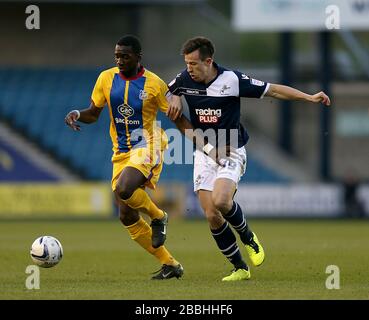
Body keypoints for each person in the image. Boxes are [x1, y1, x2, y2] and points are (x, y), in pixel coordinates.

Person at [167, 36, 331, 281]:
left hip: (232, 148)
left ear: (209, 61)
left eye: (193, 64)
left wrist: (308, 97)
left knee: (222, 201)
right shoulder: (183, 80)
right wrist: (173, 96)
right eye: (186, 63)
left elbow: (272, 89)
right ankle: (240, 268)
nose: (188, 69)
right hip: (204, 151)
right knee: (211, 214)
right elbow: (167, 92)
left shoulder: (232, 80)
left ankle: (248, 237)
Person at [65, 35, 183, 280]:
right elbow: (94, 113)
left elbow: (173, 110)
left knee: (124, 188)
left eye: (125, 56)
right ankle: (170, 264)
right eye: (117, 56)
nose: (119, 60)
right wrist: (78, 113)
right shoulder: (105, 78)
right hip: (121, 151)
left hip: (148, 143)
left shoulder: (154, 83)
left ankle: (159, 216)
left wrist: (197, 136)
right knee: (126, 215)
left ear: (138, 57)